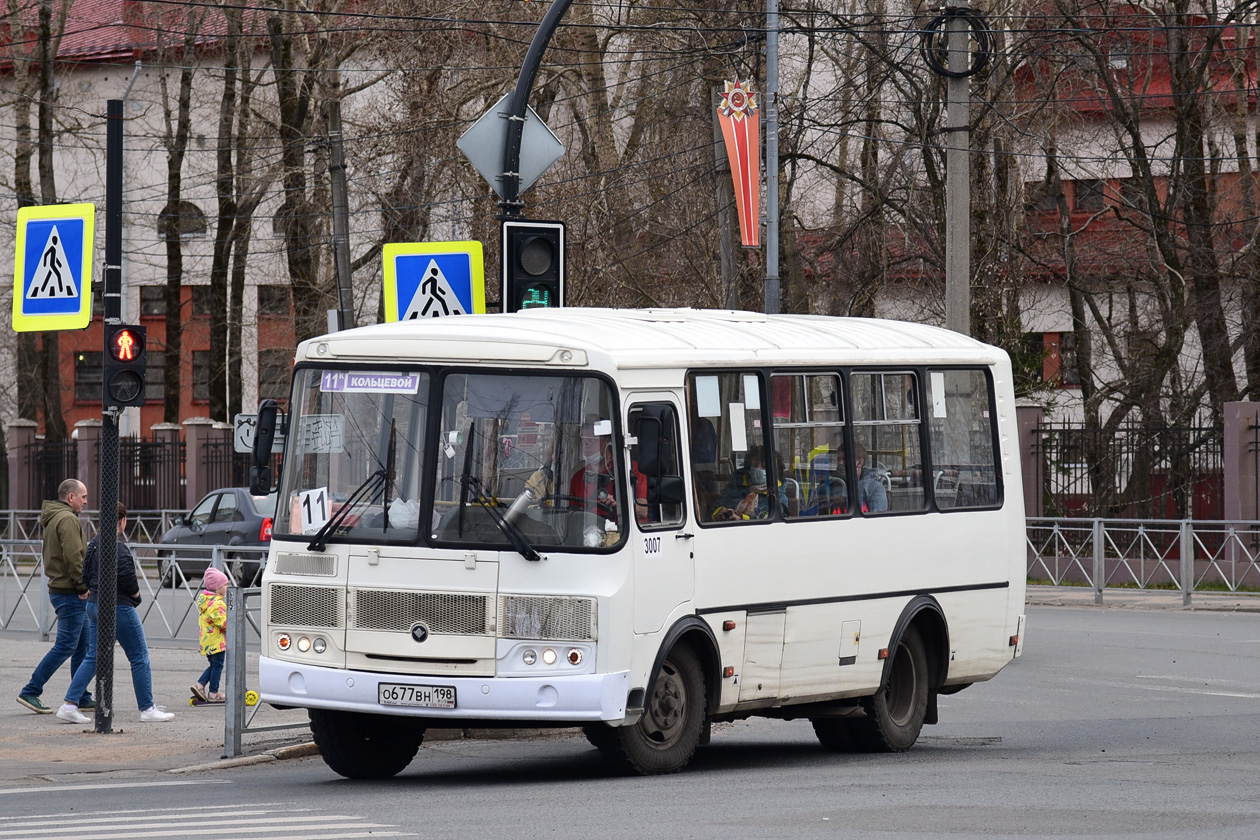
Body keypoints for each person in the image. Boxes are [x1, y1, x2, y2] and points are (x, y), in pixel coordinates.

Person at [58, 502, 174, 724]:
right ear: (122, 521)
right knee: (139, 656)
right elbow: (128, 577)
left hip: (94, 605)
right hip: (118, 606)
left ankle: (69, 704)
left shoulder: (94, 544)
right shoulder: (118, 547)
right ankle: (147, 708)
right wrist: (136, 595)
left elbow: (84, 574)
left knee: (94, 656)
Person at [17, 478, 93, 715]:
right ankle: (31, 690)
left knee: (82, 646)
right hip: (70, 592)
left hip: (64, 590)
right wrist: (82, 586)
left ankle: (80, 695)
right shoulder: (67, 519)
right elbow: (73, 556)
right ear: (71, 497)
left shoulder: (55, 516)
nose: (86, 501)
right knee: (66, 646)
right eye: (83, 497)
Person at [568, 419, 618, 523]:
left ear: (607, 441)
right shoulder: (578, 478)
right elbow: (573, 516)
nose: (586, 445)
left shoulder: (627, 470)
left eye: (592, 440)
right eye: (583, 440)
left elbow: (643, 511)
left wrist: (618, 505)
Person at [192, 568, 229, 703]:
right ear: (218, 588)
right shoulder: (217, 603)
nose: (227, 587)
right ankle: (213, 693)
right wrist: (232, 624)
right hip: (217, 641)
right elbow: (221, 622)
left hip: (208, 641)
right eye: (225, 585)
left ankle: (200, 685)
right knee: (217, 666)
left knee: (214, 665)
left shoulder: (206, 601)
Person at [854, 442, 889, 513]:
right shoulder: (834, 484)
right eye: (839, 460)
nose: (840, 463)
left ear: (860, 462)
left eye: (845, 459)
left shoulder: (874, 489)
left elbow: (877, 517)